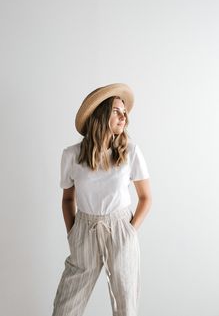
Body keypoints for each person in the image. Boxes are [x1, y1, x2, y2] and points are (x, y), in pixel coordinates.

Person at [51, 83, 152, 316]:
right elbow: (68, 199)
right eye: (117, 110)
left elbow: (146, 197)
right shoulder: (71, 155)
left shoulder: (131, 152)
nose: (123, 116)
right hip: (85, 229)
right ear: (101, 113)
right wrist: (73, 233)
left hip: (120, 229)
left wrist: (129, 231)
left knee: (126, 308)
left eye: (124, 112)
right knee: (65, 308)